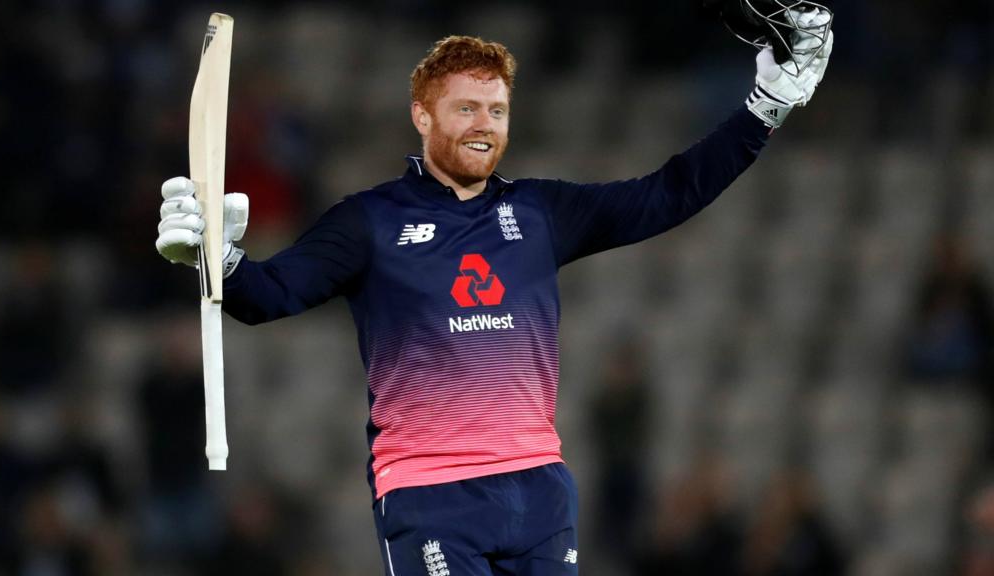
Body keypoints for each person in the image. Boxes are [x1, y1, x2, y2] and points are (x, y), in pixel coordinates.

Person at [155, 12, 833, 575]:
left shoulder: (541, 212)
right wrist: (217, 258)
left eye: (498, 109)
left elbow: (671, 192)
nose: (485, 123)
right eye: (466, 108)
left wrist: (763, 110)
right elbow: (266, 295)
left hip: (537, 490)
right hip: (429, 496)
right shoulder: (368, 222)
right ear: (422, 115)